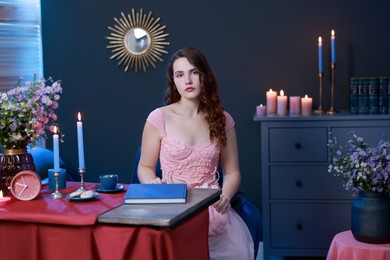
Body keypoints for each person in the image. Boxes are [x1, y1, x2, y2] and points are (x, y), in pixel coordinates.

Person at [137, 47, 254, 259]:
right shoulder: (158, 117)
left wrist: (225, 195)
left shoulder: (223, 119)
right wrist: (152, 183)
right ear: (174, 81)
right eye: (180, 75)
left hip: (212, 209)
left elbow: (233, 171)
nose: (188, 80)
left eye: (194, 72)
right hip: (173, 206)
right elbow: (144, 167)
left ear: (204, 75)